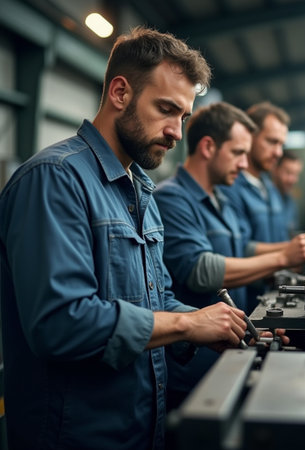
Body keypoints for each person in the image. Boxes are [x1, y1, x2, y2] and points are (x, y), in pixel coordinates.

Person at [0, 27, 248, 450]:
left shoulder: (141, 190)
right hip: (76, 437)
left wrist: (216, 326)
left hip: (141, 429)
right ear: (119, 92)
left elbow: (158, 299)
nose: (176, 131)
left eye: (183, 118)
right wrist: (188, 323)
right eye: (166, 109)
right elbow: (62, 323)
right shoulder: (55, 179)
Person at [154, 102, 303, 409]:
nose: (244, 163)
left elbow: (243, 249)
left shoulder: (222, 198)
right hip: (191, 370)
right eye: (238, 153)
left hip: (229, 350)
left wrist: (248, 328)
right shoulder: (172, 198)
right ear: (208, 147)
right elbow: (198, 269)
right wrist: (282, 257)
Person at [221, 102, 305, 302]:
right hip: (247, 300)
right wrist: (291, 249)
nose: (278, 152)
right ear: (250, 137)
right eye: (271, 142)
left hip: (273, 294)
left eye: (281, 144)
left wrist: (301, 245)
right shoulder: (230, 188)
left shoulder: (269, 188)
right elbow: (240, 248)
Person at [272, 150, 304, 237]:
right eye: (288, 172)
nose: (292, 180)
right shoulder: (264, 196)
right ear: (275, 169)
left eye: (296, 174)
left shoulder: (291, 202)